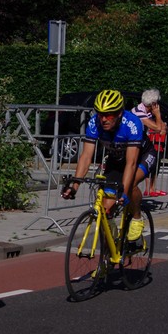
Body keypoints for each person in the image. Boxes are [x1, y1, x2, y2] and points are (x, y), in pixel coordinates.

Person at [61, 89, 150, 247]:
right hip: (117, 159)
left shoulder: (132, 124)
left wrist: (124, 190)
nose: (103, 119)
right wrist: (75, 186)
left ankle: (137, 217)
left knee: (130, 184)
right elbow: (86, 156)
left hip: (142, 156)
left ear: (119, 113)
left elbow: (131, 163)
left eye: (109, 115)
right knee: (106, 207)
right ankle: (113, 244)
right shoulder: (94, 123)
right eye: (100, 114)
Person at [131, 88, 167, 197]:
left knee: (151, 164)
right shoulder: (139, 112)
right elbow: (158, 128)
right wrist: (158, 115)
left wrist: (159, 123)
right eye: (157, 103)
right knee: (133, 179)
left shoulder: (147, 112)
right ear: (153, 104)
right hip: (135, 146)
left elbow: (162, 128)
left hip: (141, 145)